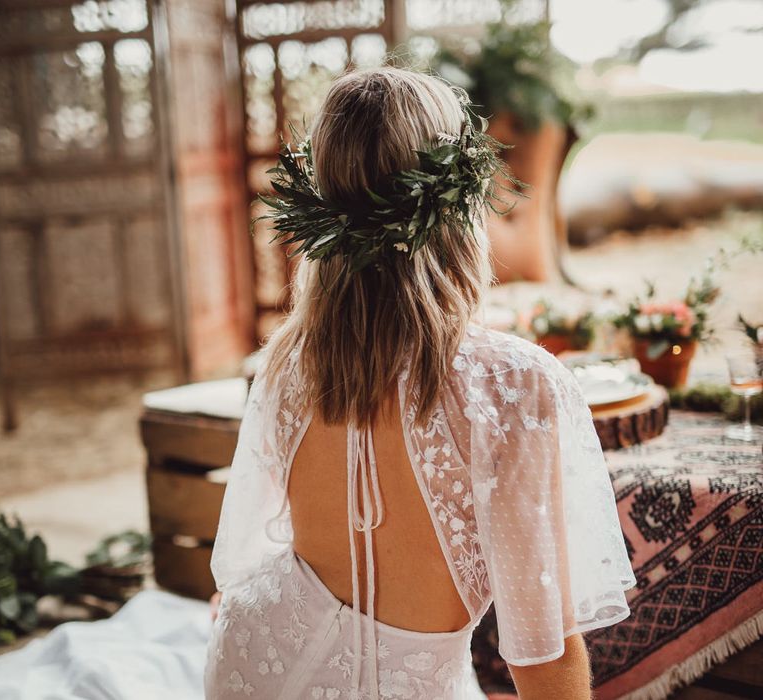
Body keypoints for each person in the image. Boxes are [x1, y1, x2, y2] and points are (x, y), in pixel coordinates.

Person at [204, 67, 635, 700]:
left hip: (249, 664)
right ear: (460, 201)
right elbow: (544, 659)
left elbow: (242, 568)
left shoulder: (287, 363)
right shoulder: (515, 385)